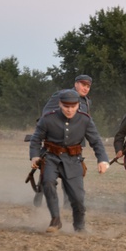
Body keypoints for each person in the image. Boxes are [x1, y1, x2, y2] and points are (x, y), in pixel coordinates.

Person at [29, 89, 109, 232]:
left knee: (77, 198)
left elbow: (96, 141)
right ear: (60, 104)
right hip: (51, 157)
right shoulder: (48, 119)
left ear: (78, 105)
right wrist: (35, 156)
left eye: (73, 106)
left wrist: (102, 160)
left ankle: (79, 226)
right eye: (66, 106)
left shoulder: (85, 120)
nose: (70, 110)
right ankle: (55, 219)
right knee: (47, 182)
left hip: (73, 160)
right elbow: (36, 139)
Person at [34, 74, 93, 207]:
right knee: (46, 171)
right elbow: (46, 113)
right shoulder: (61, 95)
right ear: (76, 83)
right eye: (83, 85)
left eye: (88, 86)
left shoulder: (87, 102)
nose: (85, 88)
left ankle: (68, 203)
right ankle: (39, 195)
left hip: (74, 145)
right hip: (55, 141)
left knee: (71, 174)